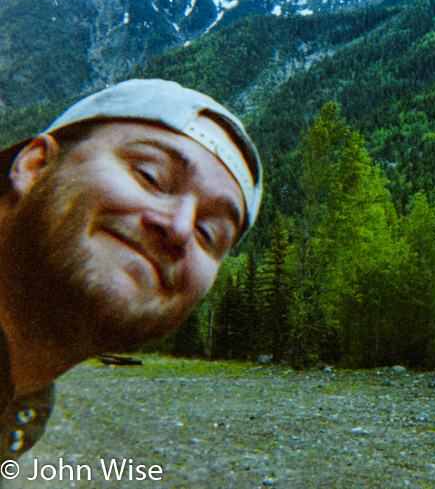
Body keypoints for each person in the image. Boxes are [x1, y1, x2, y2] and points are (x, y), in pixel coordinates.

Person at [0, 79, 262, 462]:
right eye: (150, 176)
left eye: (210, 234)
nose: (180, 228)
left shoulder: (25, 408)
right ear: (36, 165)